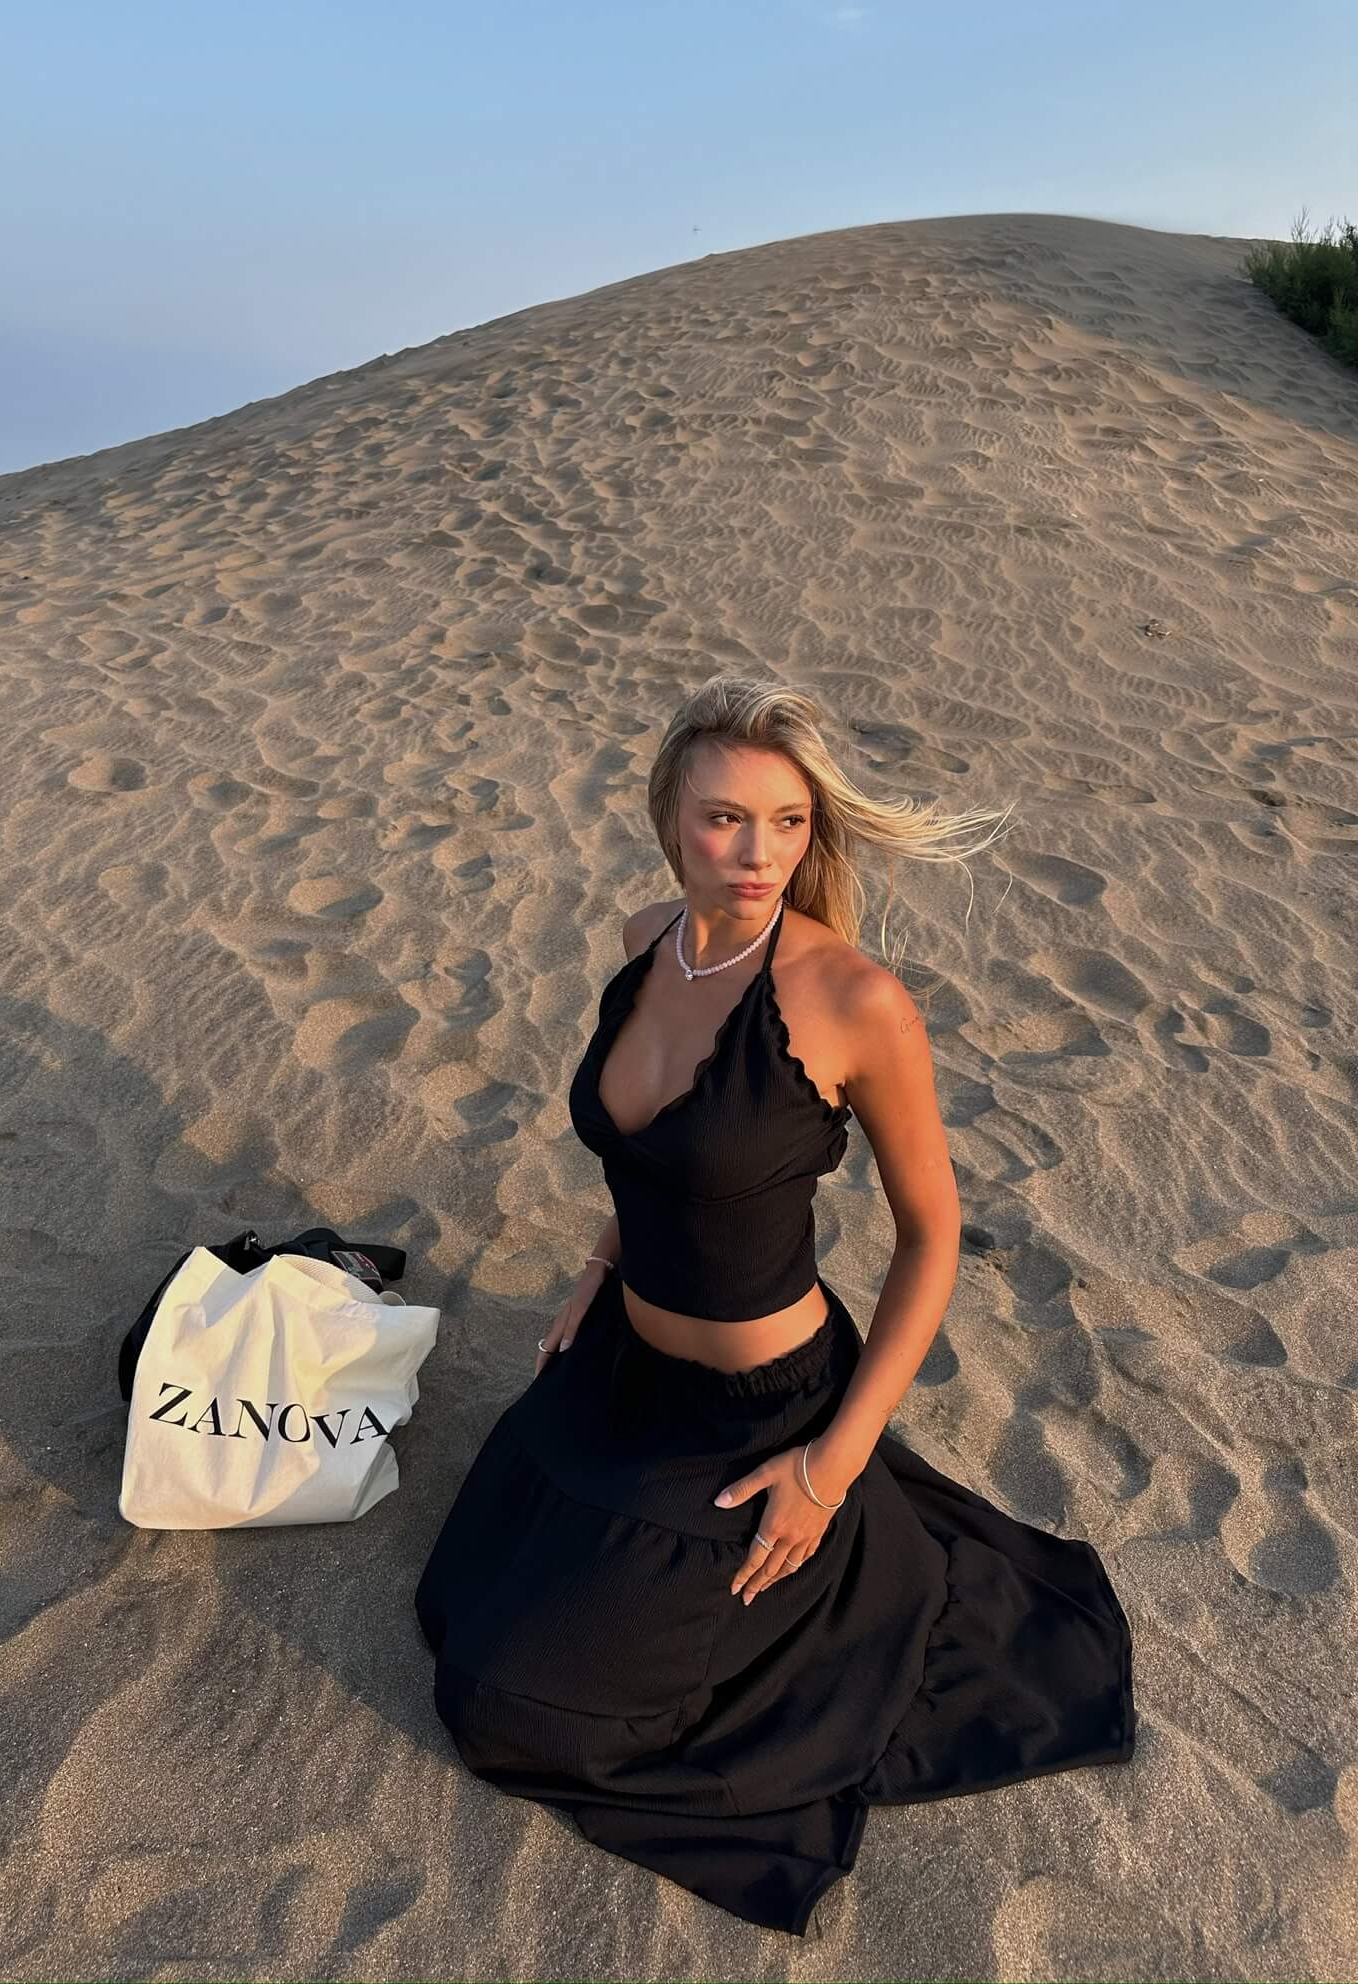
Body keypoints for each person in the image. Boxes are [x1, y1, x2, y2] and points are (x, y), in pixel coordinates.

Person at [413, 674, 1136, 1938]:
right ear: (669, 819)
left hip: (765, 1414)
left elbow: (933, 1235)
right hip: (624, 1373)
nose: (758, 854)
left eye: (789, 821)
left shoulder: (854, 1000)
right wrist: (598, 1267)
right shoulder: (646, 940)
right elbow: (650, 1155)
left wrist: (831, 1464)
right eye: (725, 819)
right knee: (468, 1605)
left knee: (522, 1709)